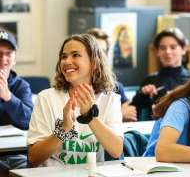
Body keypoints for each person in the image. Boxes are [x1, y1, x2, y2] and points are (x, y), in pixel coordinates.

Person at [27, 34, 123, 167]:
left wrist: (90, 117)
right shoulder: (46, 98)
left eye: (75, 55)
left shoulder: (110, 99)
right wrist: (64, 130)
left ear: (94, 62)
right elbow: (33, 158)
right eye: (64, 56)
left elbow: (116, 151)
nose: (67, 61)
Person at [131, 28, 190, 121]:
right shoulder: (149, 80)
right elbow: (133, 111)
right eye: (163, 48)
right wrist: (142, 94)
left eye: (173, 47)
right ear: (157, 52)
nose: (167, 52)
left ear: (183, 49)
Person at [0, 30, 33, 177]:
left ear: (14, 58)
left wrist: (8, 97)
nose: (3, 59)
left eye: (8, 53)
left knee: (33, 171)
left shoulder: (22, 86)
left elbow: (29, 122)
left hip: (17, 154)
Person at [86, 28, 137, 122]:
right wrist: (119, 114)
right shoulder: (74, 85)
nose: (98, 56)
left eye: (102, 52)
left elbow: (130, 114)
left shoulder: (115, 86)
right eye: (94, 51)